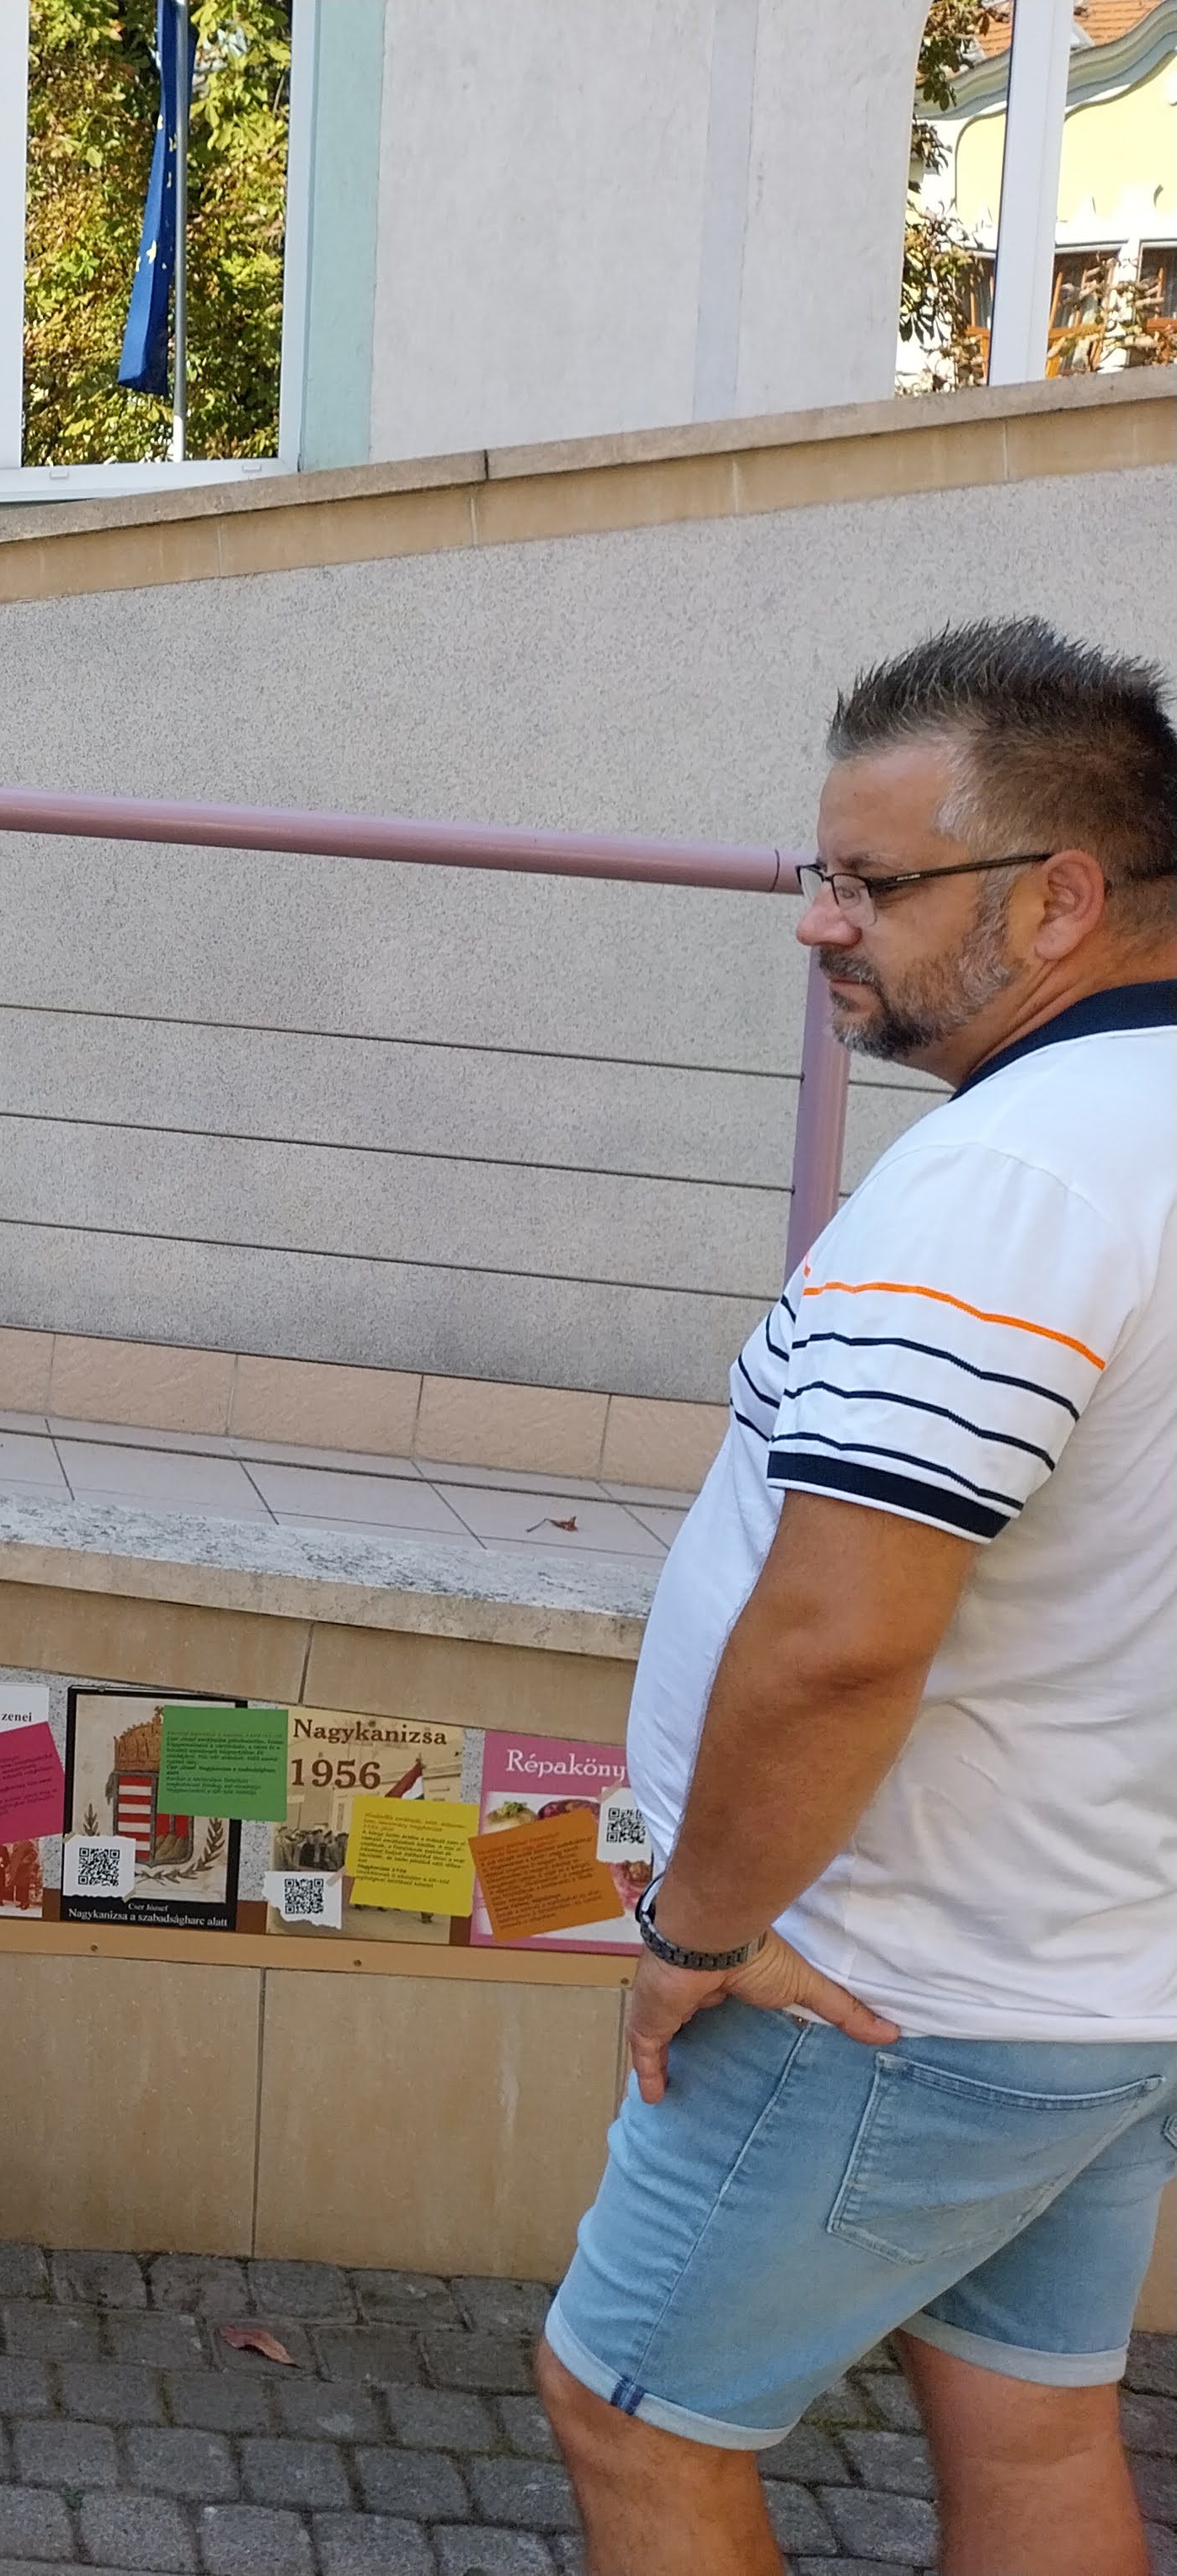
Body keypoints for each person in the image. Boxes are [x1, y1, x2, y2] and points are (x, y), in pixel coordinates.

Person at [535, 620, 1177, 2576]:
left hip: (883, 1982)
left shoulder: (1009, 1187)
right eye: (814, 873)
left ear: (1055, 898)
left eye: (870, 883)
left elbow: (836, 1639)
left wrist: (696, 1929)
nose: (818, 923)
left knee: (630, 2413)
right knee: (1030, 2426)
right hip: (1097, 1963)